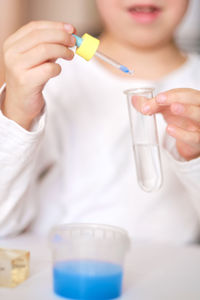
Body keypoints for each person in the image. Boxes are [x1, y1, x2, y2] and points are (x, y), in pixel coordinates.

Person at [0, 0, 199, 243]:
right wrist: (17, 114)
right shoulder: (50, 77)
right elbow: (3, 223)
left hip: (170, 275)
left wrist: (194, 160)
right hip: (60, 268)